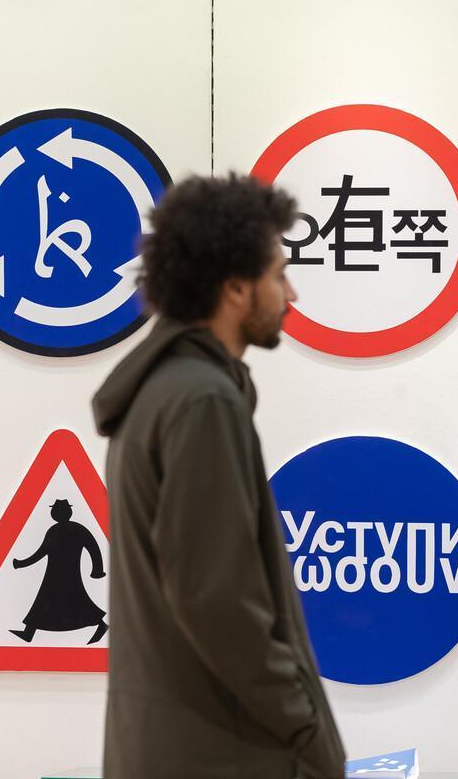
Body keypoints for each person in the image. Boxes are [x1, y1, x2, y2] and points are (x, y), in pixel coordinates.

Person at [92, 174, 346, 779]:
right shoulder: (201, 402)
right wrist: (304, 723)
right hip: (222, 753)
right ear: (235, 287)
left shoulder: (161, 392)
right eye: (278, 273)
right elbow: (217, 599)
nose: (292, 293)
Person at [10, 498, 108, 644]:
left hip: (65, 574)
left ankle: (101, 626)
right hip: (55, 574)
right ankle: (28, 632)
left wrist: (97, 570)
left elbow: (92, 547)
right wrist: (22, 563)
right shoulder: (59, 530)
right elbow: (42, 552)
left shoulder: (66, 530)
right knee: (49, 601)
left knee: (74, 600)